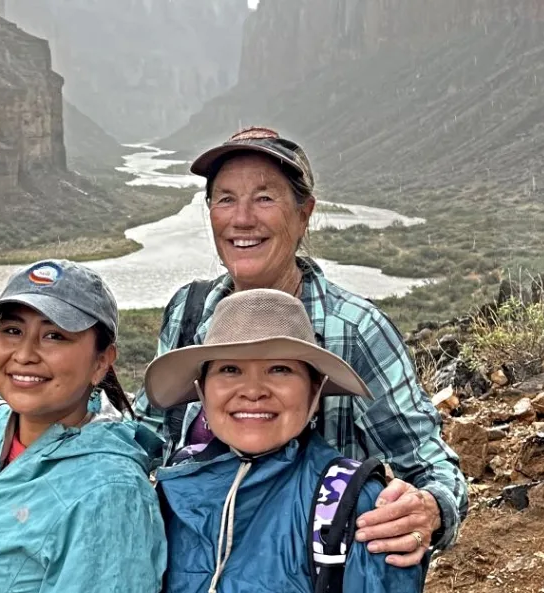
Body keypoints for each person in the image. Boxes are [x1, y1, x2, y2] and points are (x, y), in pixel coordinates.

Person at [132, 126, 468, 566]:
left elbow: (430, 467)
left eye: (265, 197)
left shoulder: (355, 329)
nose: (243, 218)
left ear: (304, 211)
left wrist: (430, 510)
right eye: (226, 198)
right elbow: (150, 432)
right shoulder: (189, 310)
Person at [147, 288, 424, 592]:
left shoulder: (356, 505)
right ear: (202, 391)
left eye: (279, 369)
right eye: (229, 369)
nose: (253, 391)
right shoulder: (174, 485)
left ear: (315, 391)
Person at [0, 259, 166, 593]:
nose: (24, 354)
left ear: (101, 361)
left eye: (54, 335)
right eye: (12, 331)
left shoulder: (107, 496)